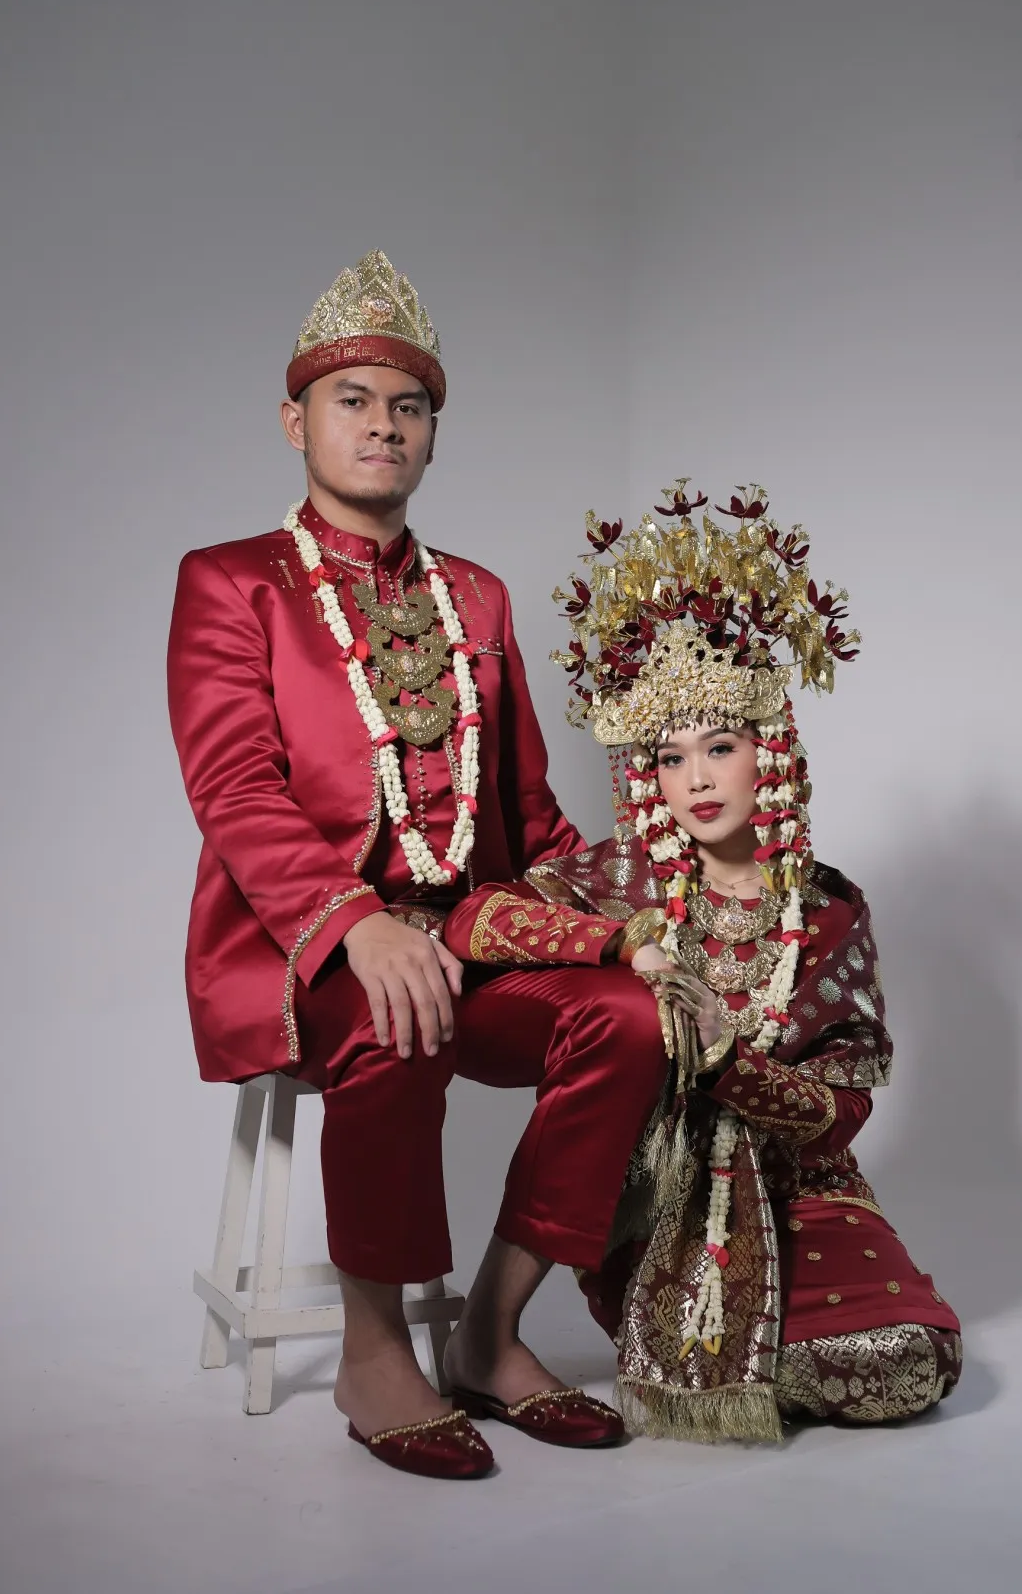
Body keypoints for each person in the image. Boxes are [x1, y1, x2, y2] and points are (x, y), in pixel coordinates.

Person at [166, 251, 669, 1478]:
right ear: (296, 421)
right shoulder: (230, 582)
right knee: (394, 1013)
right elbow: (235, 791)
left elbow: (530, 814)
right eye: (353, 401)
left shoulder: (477, 597)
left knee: (628, 1018)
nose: (383, 425)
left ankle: (491, 1332)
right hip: (307, 948)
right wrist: (358, 923)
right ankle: (376, 1350)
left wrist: (638, 908)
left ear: (433, 434)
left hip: (473, 935)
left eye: (408, 406)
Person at [440, 480, 962, 1440]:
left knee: (906, 1362)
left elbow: (843, 1107)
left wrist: (729, 1063)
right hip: (663, 1192)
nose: (697, 780)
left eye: (719, 747)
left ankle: (767, 1363)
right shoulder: (623, 877)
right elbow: (475, 919)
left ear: (771, 753)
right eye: (670, 758)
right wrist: (620, 942)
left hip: (802, 1187)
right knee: (750, 1353)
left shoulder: (828, 910)